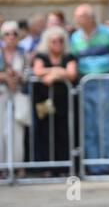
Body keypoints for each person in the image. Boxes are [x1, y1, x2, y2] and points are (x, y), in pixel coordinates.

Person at [71, 4, 109, 175]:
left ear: (91, 17)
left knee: (104, 123)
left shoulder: (108, 33)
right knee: (89, 125)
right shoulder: (75, 37)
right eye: (77, 16)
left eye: (81, 16)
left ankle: (106, 163)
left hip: (104, 81)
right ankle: (92, 164)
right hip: (85, 83)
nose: (77, 19)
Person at [32, 26, 78, 177]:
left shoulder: (68, 56)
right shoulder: (41, 56)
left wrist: (53, 74)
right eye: (54, 41)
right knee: (45, 133)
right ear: (48, 42)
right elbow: (37, 71)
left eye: (60, 41)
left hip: (64, 103)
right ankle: (47, 168)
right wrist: (58, 71)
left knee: (63, 134)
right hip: (44, 102)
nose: (57, 43)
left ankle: (63, 168)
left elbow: (72, 73)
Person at [0, 21, 29, 179]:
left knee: (16, 133)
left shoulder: (23, 53)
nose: (11, 37)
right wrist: (5, 77)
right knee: (1, 132)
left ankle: (18, 166)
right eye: (7, 34)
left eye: (14, 34)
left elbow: (26, 74)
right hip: (1, 94)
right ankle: (2, 167)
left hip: (17, 95)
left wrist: (17, 77)